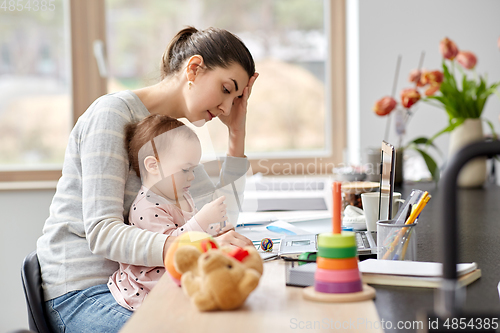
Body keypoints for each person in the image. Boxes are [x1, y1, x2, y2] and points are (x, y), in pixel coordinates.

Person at [37, 26, 258, 333]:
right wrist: (188, 243)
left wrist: (236, 133)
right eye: (225, 89)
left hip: (139, 288)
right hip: (83, 291)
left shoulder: (175, 137)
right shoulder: (111, 114)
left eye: (235, 99)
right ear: (194, 68)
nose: (226, 107)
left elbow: (220, 221)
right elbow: (102, 233)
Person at [108, 114, 229, 311]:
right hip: (150, 289)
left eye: (193, 169)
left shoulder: (181, 195)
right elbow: (171, 248)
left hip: (178, 276)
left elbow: (194, 236)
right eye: (185, 170)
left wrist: (215, 231)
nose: (192, 177)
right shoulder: (147, 207)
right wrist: (202, 220)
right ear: (153, 166)